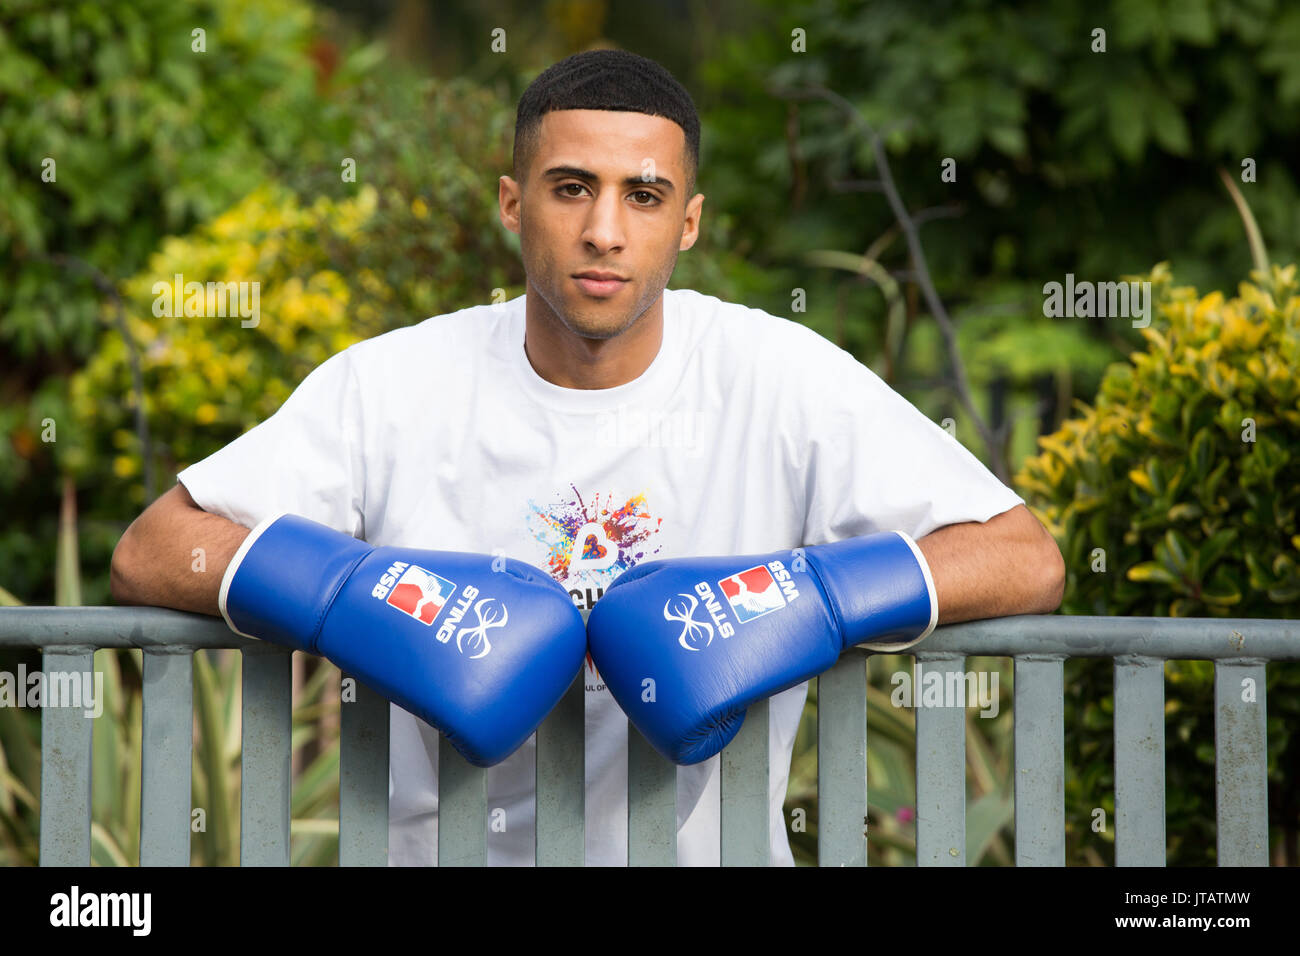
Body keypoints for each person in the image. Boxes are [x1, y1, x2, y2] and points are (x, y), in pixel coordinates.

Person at [110, 49, 1065, 866]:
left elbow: (1024, 556)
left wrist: (803, 600)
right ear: (514, 205)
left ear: (687, 223)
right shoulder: (392, 384)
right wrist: (348, 593)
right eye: (572, 188)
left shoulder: (782, 378)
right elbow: (153, 547)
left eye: (643, 196)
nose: (605, 229)